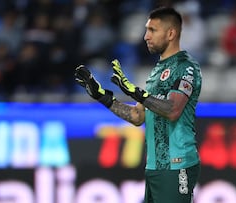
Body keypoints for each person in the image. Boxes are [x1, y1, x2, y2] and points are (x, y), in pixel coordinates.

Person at [74, 6, 202, 203]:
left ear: (170, 33)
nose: (145, 37)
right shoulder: (156, 72)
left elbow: (173, 110)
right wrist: (103, 96)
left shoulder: (186, 67)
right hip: (154, 167)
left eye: (152, 30)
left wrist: (137, 92)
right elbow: (137, 116)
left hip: (177, 165)